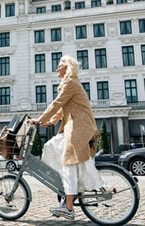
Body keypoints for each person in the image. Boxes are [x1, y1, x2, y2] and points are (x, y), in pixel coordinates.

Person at [30, 55, 104, 221]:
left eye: (59, 66)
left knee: (68, 163)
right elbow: (62, 108)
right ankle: (64, 187)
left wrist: (40, 119)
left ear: (66, 68)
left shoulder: (70, 82)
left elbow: (56, 103)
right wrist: (51, 121)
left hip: (79, 127)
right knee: (51, 146)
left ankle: (68, 207)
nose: (57, 69)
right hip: (73, 125)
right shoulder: (69, 83)